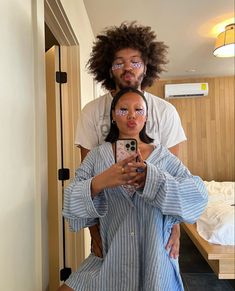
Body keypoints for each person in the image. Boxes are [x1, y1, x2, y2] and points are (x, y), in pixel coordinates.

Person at [58, 87, 207, 291]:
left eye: (139, 110)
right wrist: (100, 181)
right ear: (113, 115)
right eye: (123, 109)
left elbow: (197, 196)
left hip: (155, 262)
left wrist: (151, 180)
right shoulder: (97, 157)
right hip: (111, 260)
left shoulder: (163, 157)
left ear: (146, 118)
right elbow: (70, 201)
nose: (131, 115)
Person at [75, 22, 187, 259]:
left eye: (135, 61)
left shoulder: (165, 112)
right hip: (110, 221)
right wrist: (93, 231)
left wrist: (175, 227)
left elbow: (175, 179)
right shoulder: (91, 112)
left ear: (146, 67)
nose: (127, 68)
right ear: (108, 69)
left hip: (155, 221)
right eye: (119, 62)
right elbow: (86, 180)